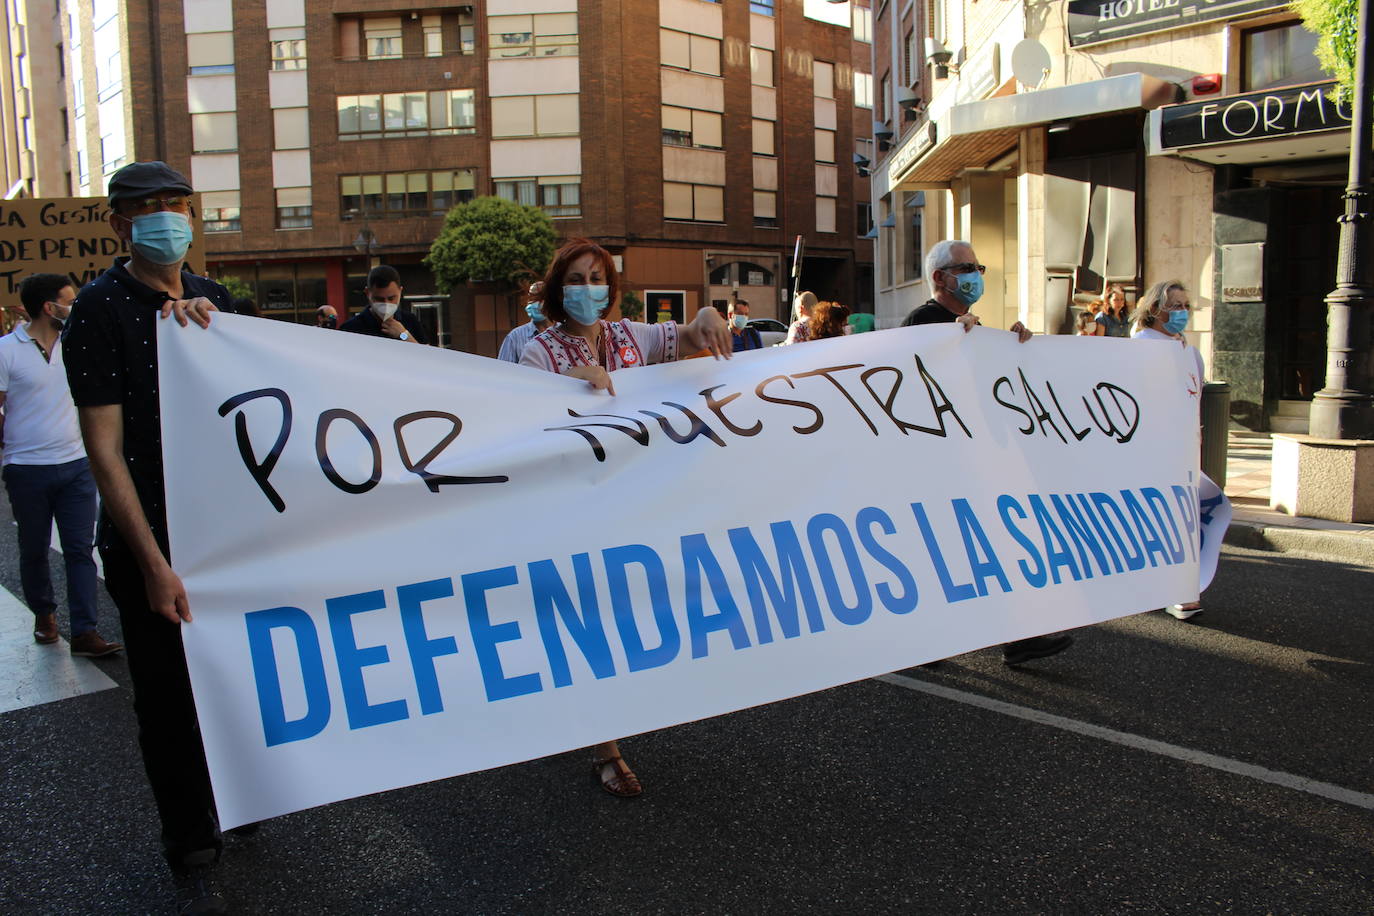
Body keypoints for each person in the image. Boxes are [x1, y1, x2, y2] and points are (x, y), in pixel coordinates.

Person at [62, 161, 245, 914]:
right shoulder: (99, 311)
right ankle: (189, 828)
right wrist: (151, 563)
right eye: (147, 209)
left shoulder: (213, 298)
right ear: (117, 223)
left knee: (235, 681)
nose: (166, 217)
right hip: (154, 537)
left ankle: (242, 792)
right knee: (168, 695)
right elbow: (105, 453)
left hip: (226, 532)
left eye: (177, 204)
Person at [520, 239, 730, 796]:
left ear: (611, 288)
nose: (588, 288)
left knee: (638, 609)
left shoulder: (628, 335)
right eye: (576, 277)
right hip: (579, 506)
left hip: (641, 501)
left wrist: (706, 317)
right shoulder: (539, 353)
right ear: (558, 287)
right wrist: (571, 392)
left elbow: (686, 338)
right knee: (597, 617)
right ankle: (607, 750)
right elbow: (529, 429)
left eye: (597, 277)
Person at [904, 239, 1071, 666]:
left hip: (977, 459)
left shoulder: (967, 325)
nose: (976, 274)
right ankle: (935, 638)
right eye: (966, 267)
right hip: (942, 464)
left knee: (996, 546)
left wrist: (1014, 348)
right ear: (941, 278)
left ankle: (1016, 637)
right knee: (951, 551)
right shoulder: (924, 322)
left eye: (979, 266)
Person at [0, 274, 120, 657]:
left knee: (81, 550)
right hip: (26, 467)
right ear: (50, 307)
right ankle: (44, 614)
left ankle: (85, 631)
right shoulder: (6, 350)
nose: (76, 306)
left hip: (76, 466)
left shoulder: (77, 346)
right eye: (70, 301)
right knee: (33, 548)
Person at [1131, 279, 1207, 621]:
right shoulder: (1141, 345)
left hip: (1183, 448)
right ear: (1155, 309)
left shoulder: (1189, 352)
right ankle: (1172, 590)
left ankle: (1174, 587)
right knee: (1160, 516)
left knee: (1182, 517)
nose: (1181, 313)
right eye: (1174, 305)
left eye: (1185, 306)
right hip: (1152, 448)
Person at [340, 265, 427, 344]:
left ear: (400, 291)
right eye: (379, 299)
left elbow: (425, 356)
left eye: (391, 298)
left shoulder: (411, 321)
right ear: (367, 293)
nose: (386, 304)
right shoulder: (351, 328)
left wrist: (403, 335)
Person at [497, 281, 548, 363]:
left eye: (539, 299)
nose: (534, 303)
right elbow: (504, 372)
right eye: (531, 299)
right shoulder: (515, 337)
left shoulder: (564, 333)